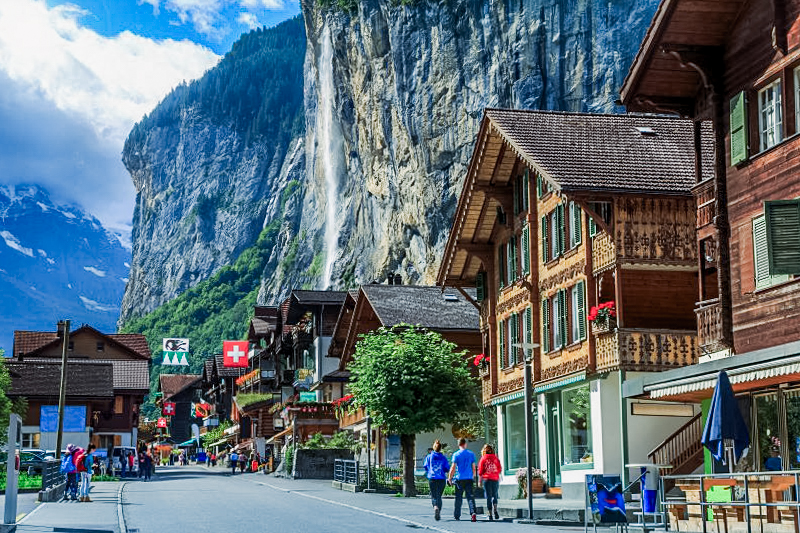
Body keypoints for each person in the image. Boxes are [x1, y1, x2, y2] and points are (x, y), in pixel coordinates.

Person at [448, 438, 477, 522]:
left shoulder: (456, 454)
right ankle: (473, 513)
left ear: (458, 444)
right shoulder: (471, 454)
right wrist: (474, 476)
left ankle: (457, 515)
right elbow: (473, 467)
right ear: (465, 444)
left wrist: (450, 478)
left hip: (459, 478)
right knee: (470, 497)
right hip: (469, 478)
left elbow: (453, 467)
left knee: (458, 497)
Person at [423, 440, 450, 521]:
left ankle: (435, 507)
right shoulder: (443, 457)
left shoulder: (429, 457)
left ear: (434, 448)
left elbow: (425, 466)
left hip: (432, 478)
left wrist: (430, 471)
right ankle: (439, 510)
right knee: (439, 496)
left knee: (434, 495)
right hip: (441, 478)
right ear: (440, 448)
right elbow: (447, 468)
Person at [477, 444, 502, 521]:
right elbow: (499, 469)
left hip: (487, 479)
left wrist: (480, 481)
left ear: (484, 450)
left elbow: (480, 471)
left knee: (488, 497)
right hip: (495, 478)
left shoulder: (483, 458)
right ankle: (495, 510)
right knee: (495, 495)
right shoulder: (495, 458)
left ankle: (490, 514)